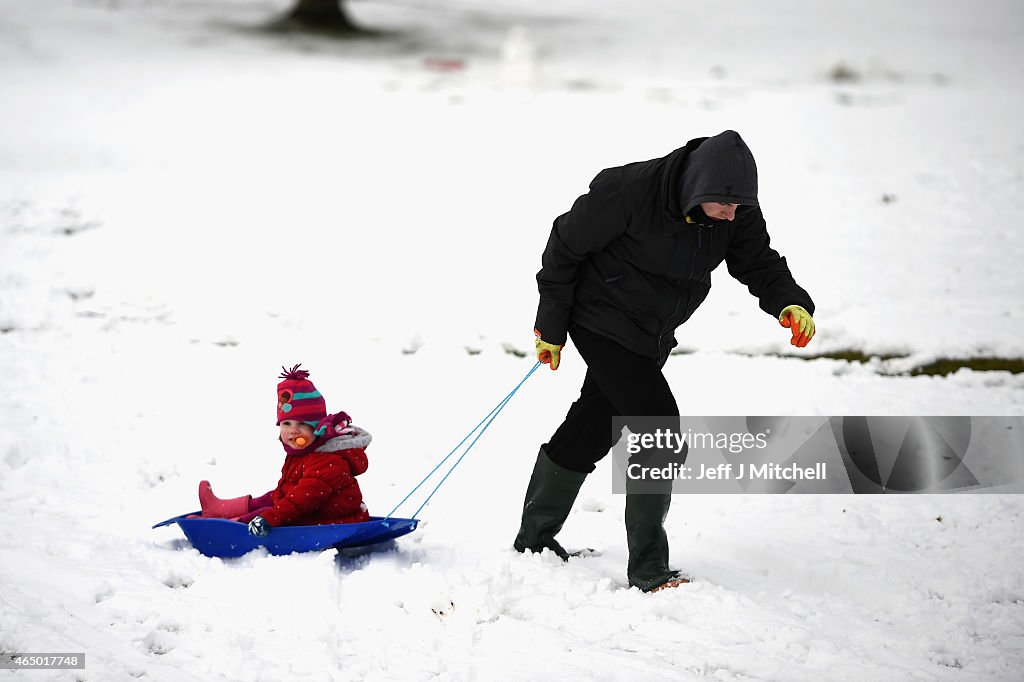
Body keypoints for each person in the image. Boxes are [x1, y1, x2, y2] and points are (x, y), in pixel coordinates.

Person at [514, 130, 816, 592]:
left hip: (650, 333)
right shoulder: (629, 191)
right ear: (697, 188)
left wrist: (789, 303)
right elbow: (564, 249)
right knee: (659, 429)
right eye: (724, 207)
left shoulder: (734, 208)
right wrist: (551, 329)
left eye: (740, 208)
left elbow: (759, 263)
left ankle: (534, 540)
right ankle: (650, 571)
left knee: (593, 423)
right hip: (599, 319)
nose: (733, 216)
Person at [196, 364, 371, 536]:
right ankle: (219, 510)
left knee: (270, 511)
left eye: (302, 424)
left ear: (317, 428)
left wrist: (269, 517)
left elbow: (301, 500)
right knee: (271, 498)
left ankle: (227, 531)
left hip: (335, 522)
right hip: (312, 511)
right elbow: (286, 493)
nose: (293, 430)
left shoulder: (327, 461)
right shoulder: (303, 453)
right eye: (287, 423)